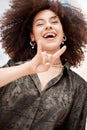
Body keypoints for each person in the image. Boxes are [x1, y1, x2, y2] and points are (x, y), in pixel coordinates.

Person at [0, 0, 87, 130]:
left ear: (64, 34)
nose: (48, 26)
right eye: (40, 24)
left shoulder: (79, 86)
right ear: (32, 36)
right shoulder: (13, 68)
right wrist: (28, 68)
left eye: (54, 22)